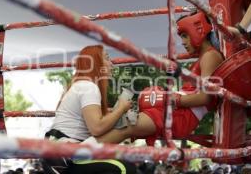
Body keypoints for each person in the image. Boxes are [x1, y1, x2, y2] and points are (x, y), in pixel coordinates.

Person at [96, 11, 224, 145]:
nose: (183, 42)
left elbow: (205, 97)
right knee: (120, 121)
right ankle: (81, 149)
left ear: (198, 30)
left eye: (185, 36)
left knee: (125, 125)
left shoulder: (210, 56)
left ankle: (79, 152)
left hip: (182, 117)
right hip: (177, 112)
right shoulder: (204, 58)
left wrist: (172, 99)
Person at [43, 44, 137, 174]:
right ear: (95, 62)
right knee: (125, 168)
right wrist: (120, 109)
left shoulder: (79, 84)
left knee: (124, 162)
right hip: (65, 155)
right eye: (107, 58)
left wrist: (115, 112)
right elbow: (97, 128)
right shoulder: (88, 87)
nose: (112, 64)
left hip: (61, 152)